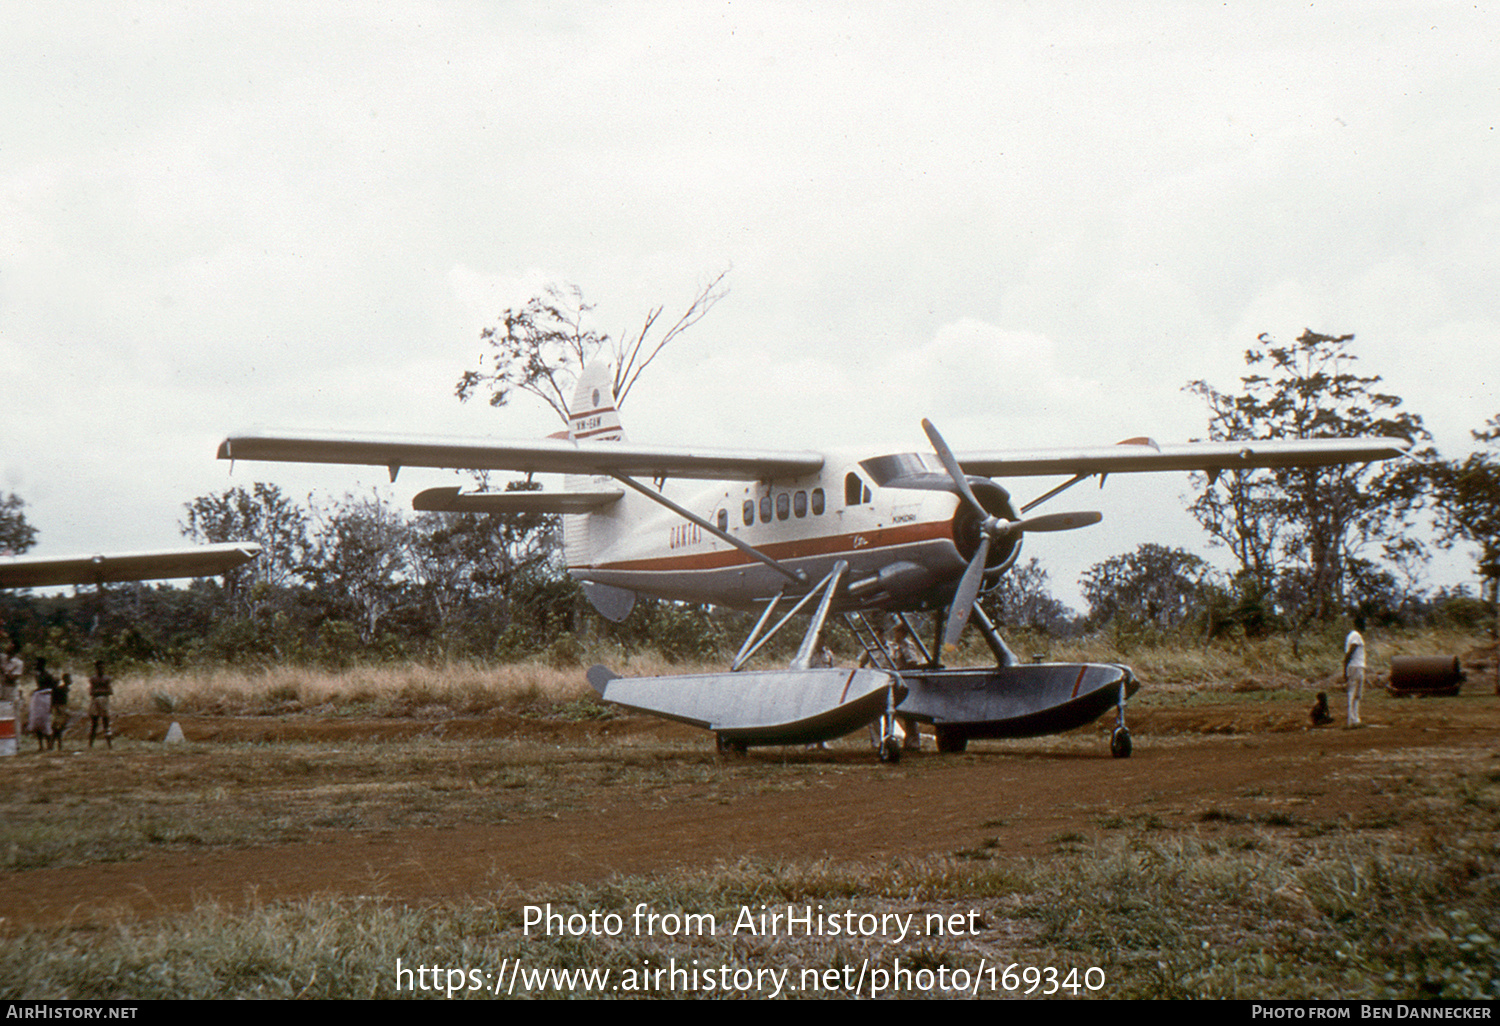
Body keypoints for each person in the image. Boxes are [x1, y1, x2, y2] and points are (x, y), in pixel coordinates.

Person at [1341, 615, 1367, 728]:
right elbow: (1351, 651)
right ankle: (1352, 720)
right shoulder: (1356, 636)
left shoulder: (1354, 635)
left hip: (1357, 666)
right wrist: (1345, 667)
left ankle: (1355, 719)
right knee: (1353, 694)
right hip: (1355, 666)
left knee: (1356, 695)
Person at [28, 659, 55, 751]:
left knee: (46, 721)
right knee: (37, 721)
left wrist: (52, 704)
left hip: (46, 699)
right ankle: (41, 745)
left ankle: (49, 744)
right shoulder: (37, 675)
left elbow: (52, 688)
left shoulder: (48, 675)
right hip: (38, 699)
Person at [89, 661, 113, 749]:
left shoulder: (107, 678)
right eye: (99, 668)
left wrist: (98, 692)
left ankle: (109, 744)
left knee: (106, 723)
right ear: (96, 668)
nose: (101, 669)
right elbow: (91, 692)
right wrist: (102, 691)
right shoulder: (93, 679)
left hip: (103, 701)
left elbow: (110, 691)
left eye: (102, 668)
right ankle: (90, 744)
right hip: (96, 701)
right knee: (94, 724)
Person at [52, 672, 72, 750]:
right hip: (60, 708)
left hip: (61, 708)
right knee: (59, 727)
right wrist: (58, 708)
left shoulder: (63, 688)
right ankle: (57, 744)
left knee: (58, 727)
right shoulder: (62, 689)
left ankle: (55, 744)